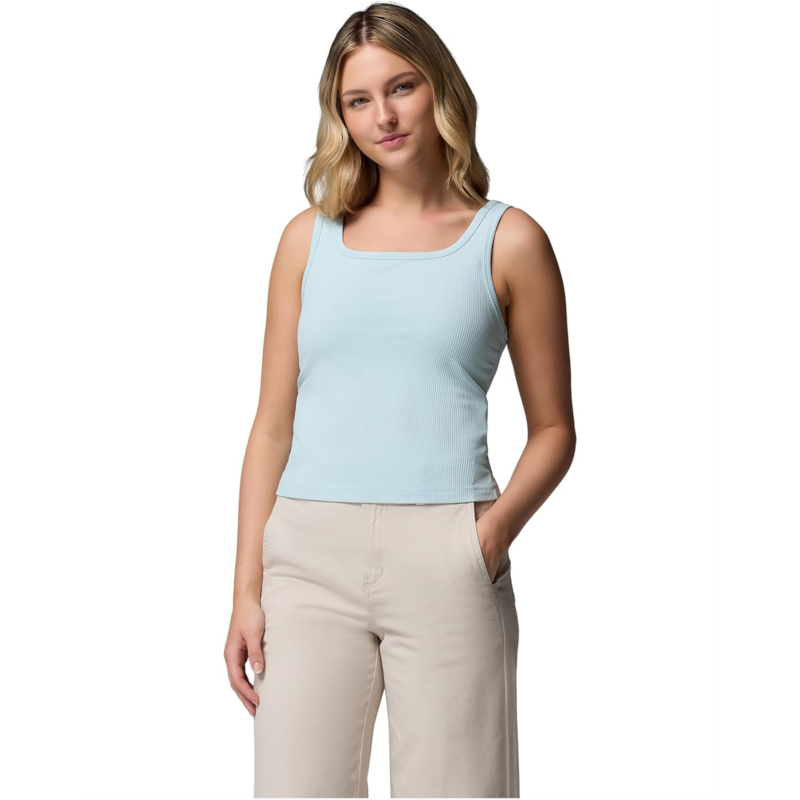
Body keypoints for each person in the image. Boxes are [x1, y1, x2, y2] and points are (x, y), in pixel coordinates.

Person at [224, 3, 576, 797]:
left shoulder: (510, 240)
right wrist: (246, 586)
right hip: (307, 560)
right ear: (340, 115)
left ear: (439, 88)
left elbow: (555, 428)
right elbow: (272, 426)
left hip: (448, 553)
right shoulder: (305, 240)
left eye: (402, 87)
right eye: (358, 100)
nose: (382, 116)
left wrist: (485, 539)